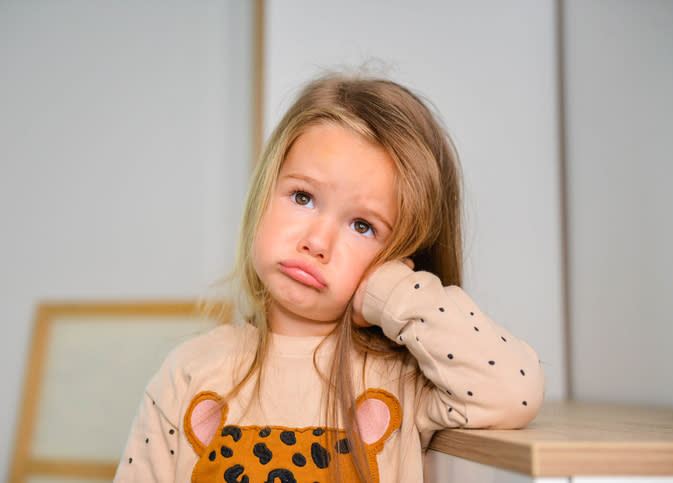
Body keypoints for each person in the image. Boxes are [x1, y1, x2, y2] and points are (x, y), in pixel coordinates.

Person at [114, 74, 545, 482]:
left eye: (363, 226)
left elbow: (513, 391)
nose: (317, 241)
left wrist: (390, 291)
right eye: (303, 197)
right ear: (264, 192)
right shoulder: (190, 372)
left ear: (399, 257)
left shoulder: (404, 379)